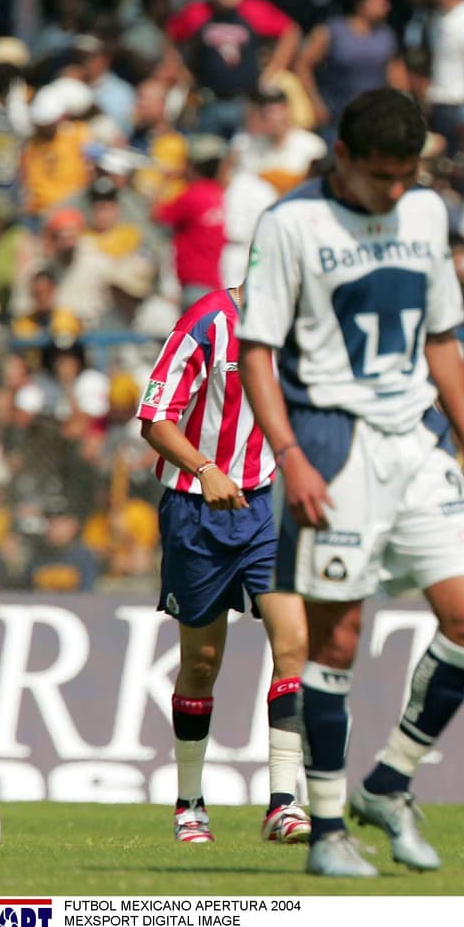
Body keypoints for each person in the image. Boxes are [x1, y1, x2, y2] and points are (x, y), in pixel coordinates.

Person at [236, 88, 464, 878]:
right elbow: (257, 351)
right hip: (332, 441)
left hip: (417, 441)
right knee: (337, 639)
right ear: (342, 157)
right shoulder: (291, 225)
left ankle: (388, 782)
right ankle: (324, 830)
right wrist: (290, 457)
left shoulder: (424, 214)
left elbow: (444, 338)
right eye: (381, 175)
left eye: (406, 174)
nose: (394, 190)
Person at [137, 285, 309, 845]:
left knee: (294, 644)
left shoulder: (304, 324)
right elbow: (155, 419)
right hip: (195, 511)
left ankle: (283, 804)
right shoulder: (207, 321)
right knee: (202, 661)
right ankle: (190, 803)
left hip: (265, 506)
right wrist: (205, 466)